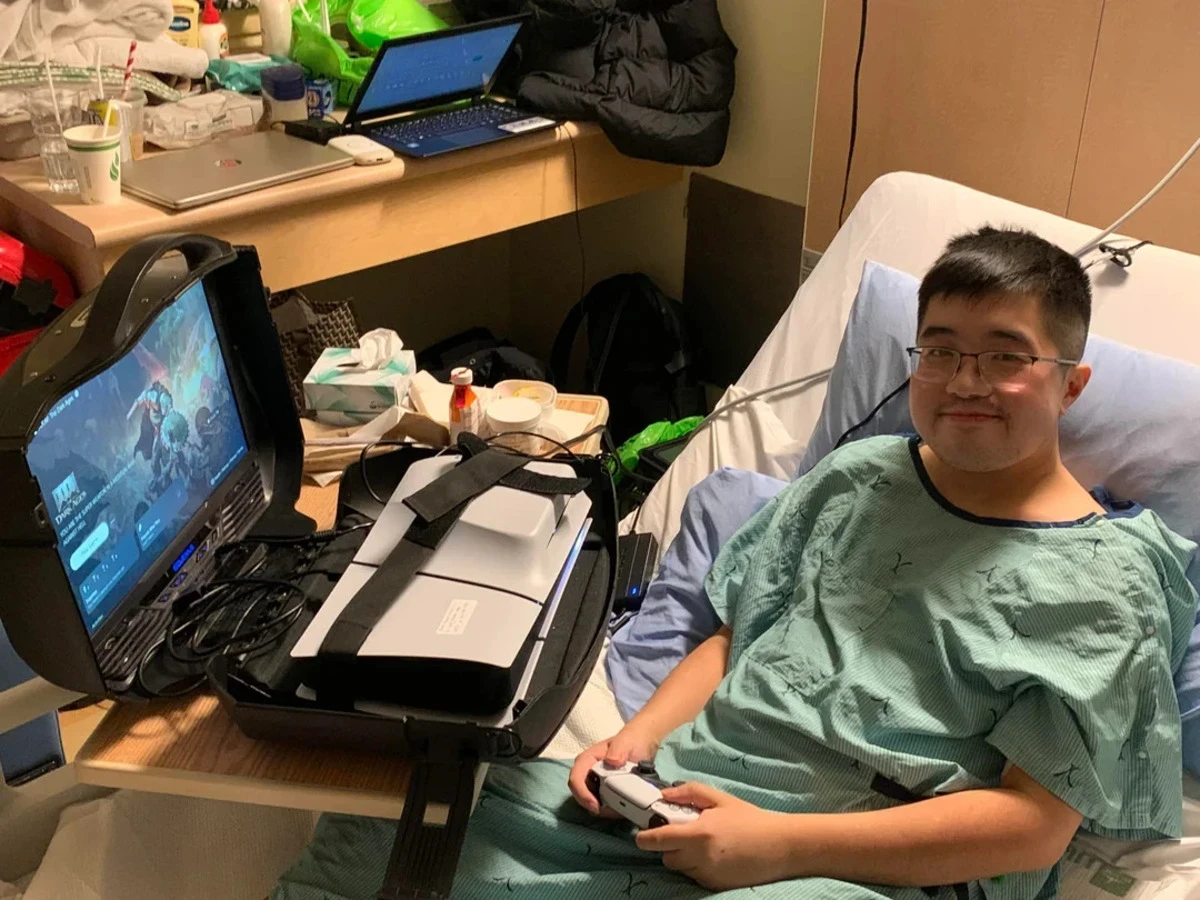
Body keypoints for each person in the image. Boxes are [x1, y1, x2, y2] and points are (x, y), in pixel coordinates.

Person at [274, 228, 1198, 900]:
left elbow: (1035, 825)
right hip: (681, 799)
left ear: (1071, 384)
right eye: (941, 351)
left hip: (868, 865)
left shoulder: (1105, 586)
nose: (964, 382)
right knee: (407, 824)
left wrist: (782, 847)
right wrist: (636, 743)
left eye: (1005, 358)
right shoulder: (859, 476)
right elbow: (733, 635)